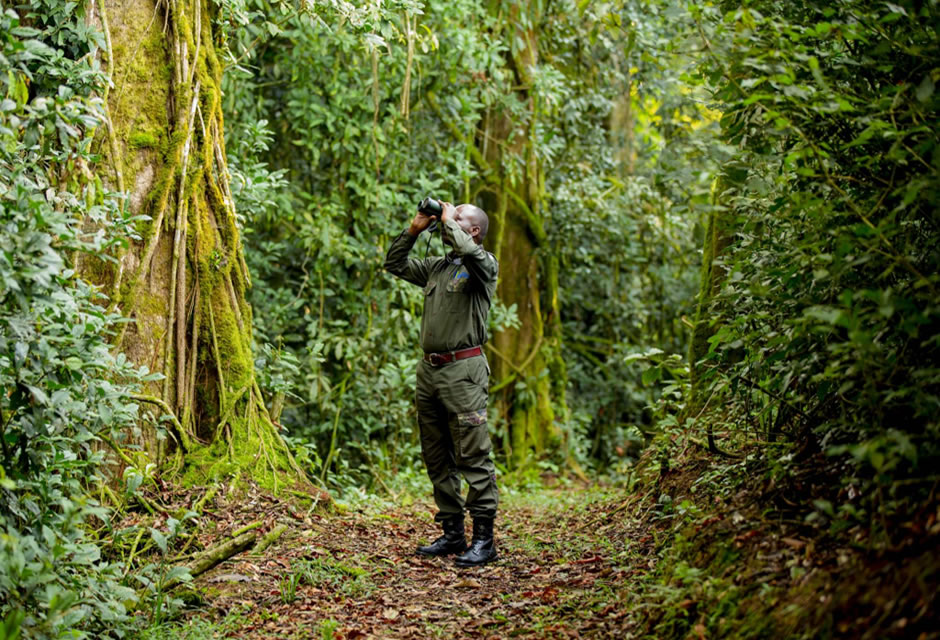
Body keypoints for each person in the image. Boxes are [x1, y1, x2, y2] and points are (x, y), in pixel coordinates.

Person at [384, 200, 500, 567]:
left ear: (474, 230)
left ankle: (484, 539)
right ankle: (452, 532)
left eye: (458, 215)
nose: (448, 218)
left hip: (464, 372)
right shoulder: (439, 267)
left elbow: (468, 251)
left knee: (472, 453)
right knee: (436, 454)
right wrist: (414, 230)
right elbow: (394, 264)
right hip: (429, 372)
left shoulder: (483, 265)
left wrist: (448, 221)